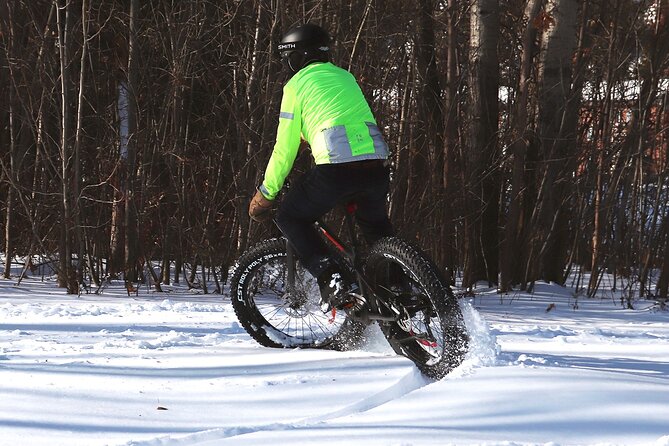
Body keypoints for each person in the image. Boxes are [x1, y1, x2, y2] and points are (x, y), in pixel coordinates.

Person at [248, 23, 393, 310]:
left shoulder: (297, 85)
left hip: (336, 169)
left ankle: (332, 278)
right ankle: (400, 286)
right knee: (376, 230)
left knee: (291, 216)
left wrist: (266, 193)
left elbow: (284, 149)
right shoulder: (346, 77)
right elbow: (341, 117)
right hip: (377, 165)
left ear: (296, 57)